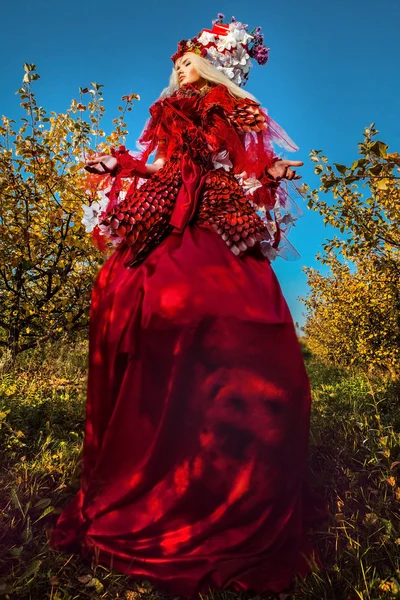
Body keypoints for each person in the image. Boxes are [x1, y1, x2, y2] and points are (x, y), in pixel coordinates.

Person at [49, 15, 324, 599]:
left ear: (217, 64)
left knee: (240, 328)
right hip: (162, 220)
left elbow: (244, 165)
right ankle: (149, 467)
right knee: (142, 316)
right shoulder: (167, 114)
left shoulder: (234, 109)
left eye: (192, 56)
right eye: (178, 58)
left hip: (217, 219)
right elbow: (161, 165)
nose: (179, 65)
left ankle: (230, 479)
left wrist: (268, 173)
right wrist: (121, 166)